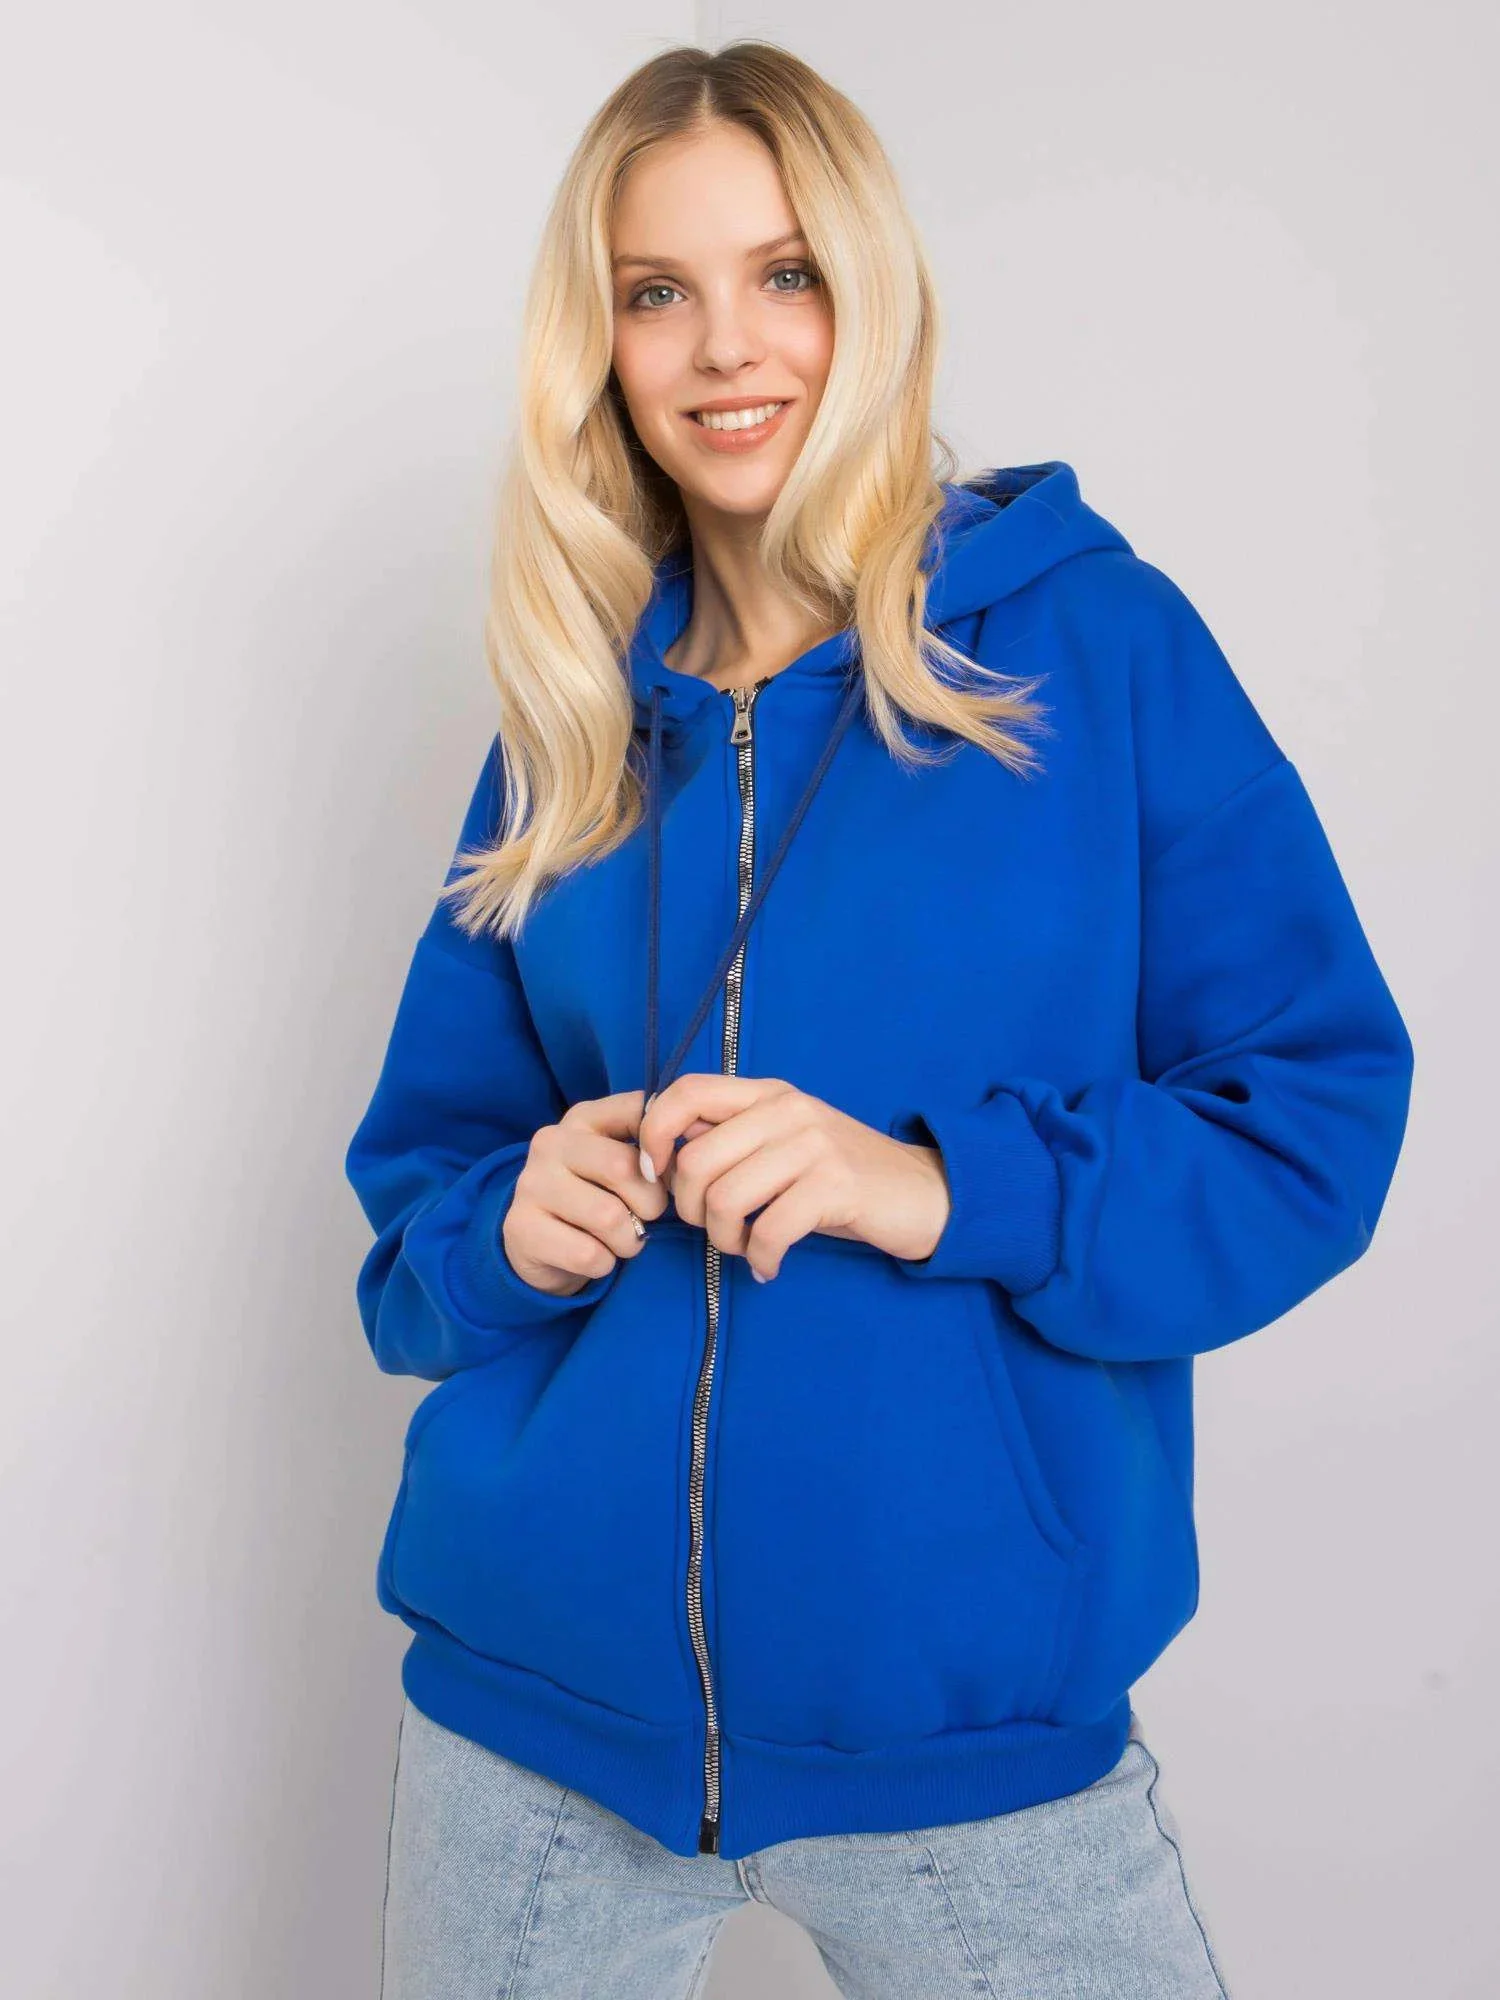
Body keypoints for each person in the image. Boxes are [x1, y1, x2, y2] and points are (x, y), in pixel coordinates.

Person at [343, 39, 1414, 2000]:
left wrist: (929, 1184)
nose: (723, 348)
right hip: (531, 1734)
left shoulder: (1090, 647)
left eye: (786, 273)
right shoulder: (572, 720)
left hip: (973, 1745)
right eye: (654, 292)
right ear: (599, 344)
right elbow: (412, 1235)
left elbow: (1311, 1119)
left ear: (875, 291)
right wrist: (508, 1223)